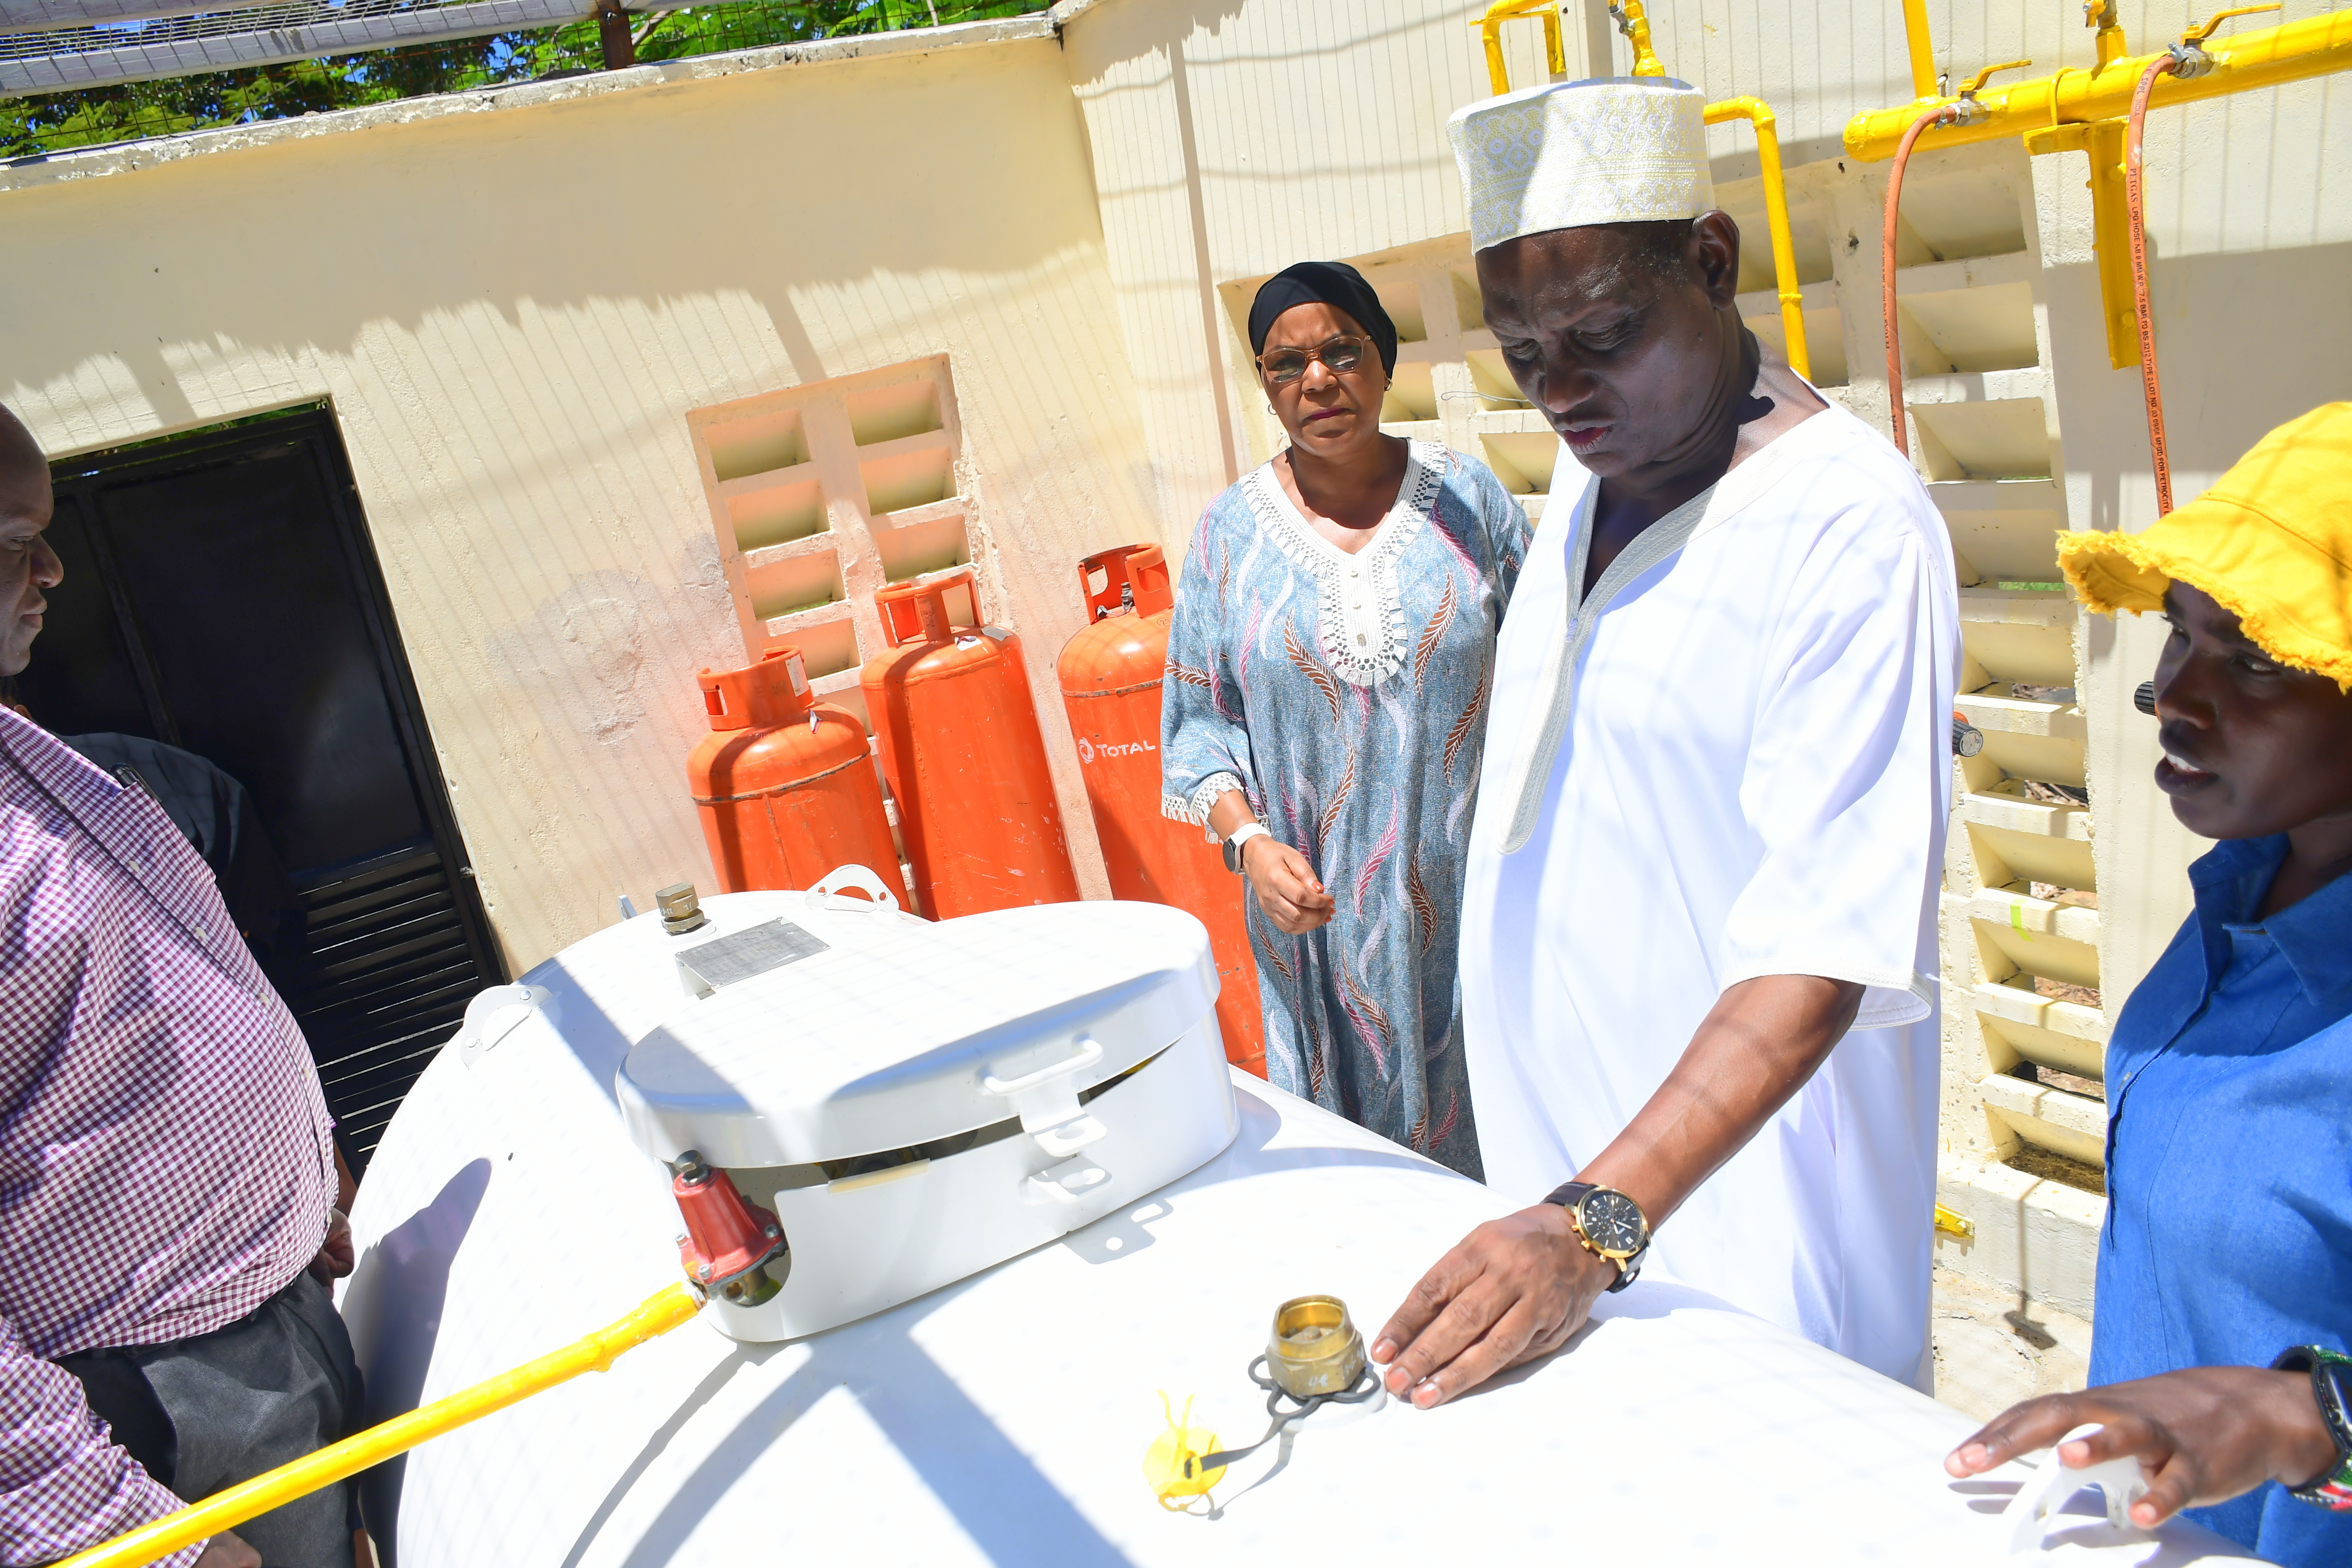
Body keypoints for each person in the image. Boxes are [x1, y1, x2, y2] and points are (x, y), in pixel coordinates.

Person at [1372, 77, 1958, 1402]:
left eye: (1604, 333)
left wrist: (1597, 1223)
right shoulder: (1600, 474)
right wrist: (1562, 1215)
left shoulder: (1848, 532)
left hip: (1740, 1246)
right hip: (1566, 1225)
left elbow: (1820, 958)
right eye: (1524, 352)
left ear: (1712, 262)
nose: (1561, 391)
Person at [1946, 403, 2352, 1566]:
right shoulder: (2242, 891)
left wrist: (2304, 1415)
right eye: (2180, 632)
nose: (2176, 695)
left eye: (2257, 659)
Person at [0, 402, 362, 1568]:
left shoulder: (24, 754)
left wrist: (301, 1168)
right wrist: (123, 1535)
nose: (54, 571)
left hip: (267, 1324)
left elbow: (169, 990)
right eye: (17, 541)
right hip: (155, 1406)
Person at [1161, 260, 1531, 1178]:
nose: (1317, 380)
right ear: (1265, 383)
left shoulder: (1468, 500)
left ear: (1383, 359)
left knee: (1510, 1147)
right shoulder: (1228, 537)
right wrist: (1249, 845)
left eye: (1341, 352)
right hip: (1321, 935)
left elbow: (1549, 666)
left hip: (1480, 910)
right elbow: (1200, 724)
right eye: (1286, 365)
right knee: (1363, 1186)